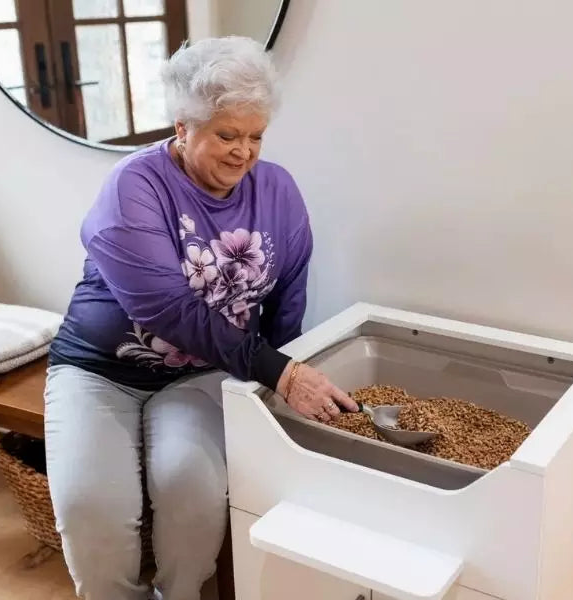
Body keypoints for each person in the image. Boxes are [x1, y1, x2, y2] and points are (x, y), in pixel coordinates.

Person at [44, 36, 357, 600]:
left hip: (200, 376)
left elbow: (287, 301)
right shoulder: (134, 186)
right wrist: (279, 372)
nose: (244, 152)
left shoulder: (279, 191)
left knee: (193, 489)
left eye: (255, 135)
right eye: (227, 134)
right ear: (183, 128)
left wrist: (281, 389)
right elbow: (165, 307)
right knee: (93, 505)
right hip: (97, 371)